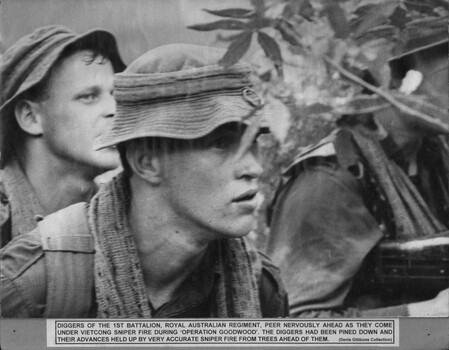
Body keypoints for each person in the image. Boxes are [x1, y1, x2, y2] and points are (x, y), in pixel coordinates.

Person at [1, 44, 288, 318]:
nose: (254, 168)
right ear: (146, 162)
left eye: (252, 142)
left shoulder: (257, 286)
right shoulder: (33, 285)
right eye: (221, 143)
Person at [265, 31, 449, 317]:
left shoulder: (434, 151)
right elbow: (295, 331)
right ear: (396, 77)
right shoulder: (330, 178)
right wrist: (425, 314)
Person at [0, 25, 125, 247]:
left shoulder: (119, 213)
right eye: (89, 96)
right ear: (30, 117)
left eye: (116, 94)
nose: (114, 109)